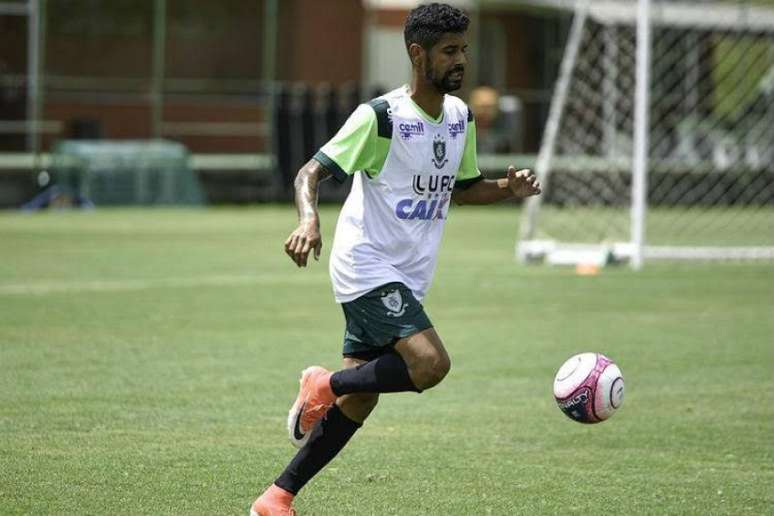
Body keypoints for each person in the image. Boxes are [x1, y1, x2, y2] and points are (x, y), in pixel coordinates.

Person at [251, 4, 541, 515]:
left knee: (361, 398)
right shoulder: (381, 117)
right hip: (366, 266)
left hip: (408, 276)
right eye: (449, 51)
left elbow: (462, 189)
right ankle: (321, 384)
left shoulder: (459, 118)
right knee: (430, 365)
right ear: (417, 53)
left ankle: (276, 498)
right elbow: (308, 174)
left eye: (463, 50)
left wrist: (507, 188)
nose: (461, 61)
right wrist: (308, 220)